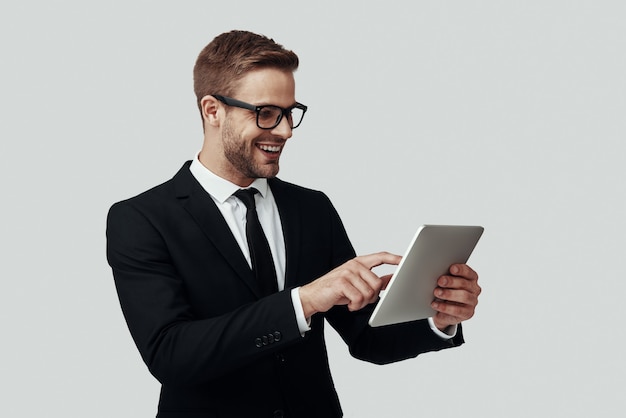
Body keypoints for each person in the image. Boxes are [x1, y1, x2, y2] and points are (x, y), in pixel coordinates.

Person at [106, 30, 481, 418]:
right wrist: (302, 302)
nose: (284, 130)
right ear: (212, 110)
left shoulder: (311, 208)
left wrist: (439, 319)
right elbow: (170, 355)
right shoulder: (142, 219)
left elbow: (366, 338)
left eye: (289, 113)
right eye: (266, 113)